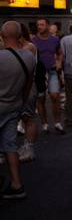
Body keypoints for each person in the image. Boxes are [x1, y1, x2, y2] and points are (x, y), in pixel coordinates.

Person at [0, 21, 36, 199]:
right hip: (14, 105)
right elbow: (28, 84)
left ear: (3, 35)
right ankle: (17, 184)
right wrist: (20, 101)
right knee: (10, 145)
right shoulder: (28, 57)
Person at [31, 17, 63, 133]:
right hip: (39, 73)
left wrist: (59, 62)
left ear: (48, 26)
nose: (39, 27)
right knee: (41, 99)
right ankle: (44, 124)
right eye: (38, 25)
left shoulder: (55, 40)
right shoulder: (33, 41)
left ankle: (57, 123)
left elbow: (60, 53)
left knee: (55, 96)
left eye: (42, 25)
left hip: (52, 71)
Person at [15, 23, 38, 162]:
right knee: (21, 117)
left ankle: (29, 149)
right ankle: (24, 147)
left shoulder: (29, 47)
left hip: (28, 86)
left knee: (28, 118)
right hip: (18, 86)